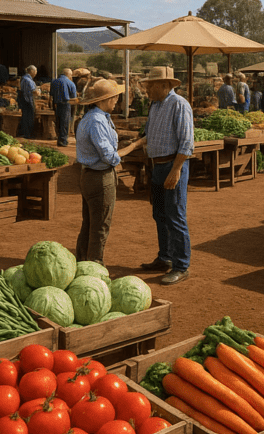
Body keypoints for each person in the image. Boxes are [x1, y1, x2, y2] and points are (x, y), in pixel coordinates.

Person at [131, 67, 194, 285]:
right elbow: (149, 135)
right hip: (157, 166)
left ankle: (181, 266)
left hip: (172, 165)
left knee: (175, 216)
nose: (147, 89)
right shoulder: (155, 106)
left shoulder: (179, 105)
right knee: (159, 214)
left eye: (151, 85)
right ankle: (165, 257)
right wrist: (133, 146)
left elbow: (187, 143)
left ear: (165, 85)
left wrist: (176, 170)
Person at [74, 80, 125, 265]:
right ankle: (95, 264)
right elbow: (107, 155)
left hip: (90, 175)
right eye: (115, 97)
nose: (117, 100)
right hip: (99, 177)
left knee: (89, 222)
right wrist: (120, 155)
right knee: (100, 226)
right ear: (106, 99)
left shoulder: (93, 117)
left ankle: (81, 260)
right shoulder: (97, 120)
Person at [50, 68, 78, 146]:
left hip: (56, 104)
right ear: (68, 74)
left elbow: (51, 95)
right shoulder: (71, 83)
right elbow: (74, 98)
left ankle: (59, 139)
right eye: (71, 75)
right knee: (65, 122)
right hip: (66, 104)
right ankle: (63, 141)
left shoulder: (54, 81)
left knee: (58, 121)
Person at [16, 65, 40, 138]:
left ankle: (25, 133)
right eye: (35, 71)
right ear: (32, 71)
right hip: (28, 101)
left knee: (26, 117)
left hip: (25, 100)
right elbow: (34, 92)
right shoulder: (28, 80)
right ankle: (27, 134)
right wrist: (38, 91)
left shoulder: (25, 78)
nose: (36, 73)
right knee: (29, 117)